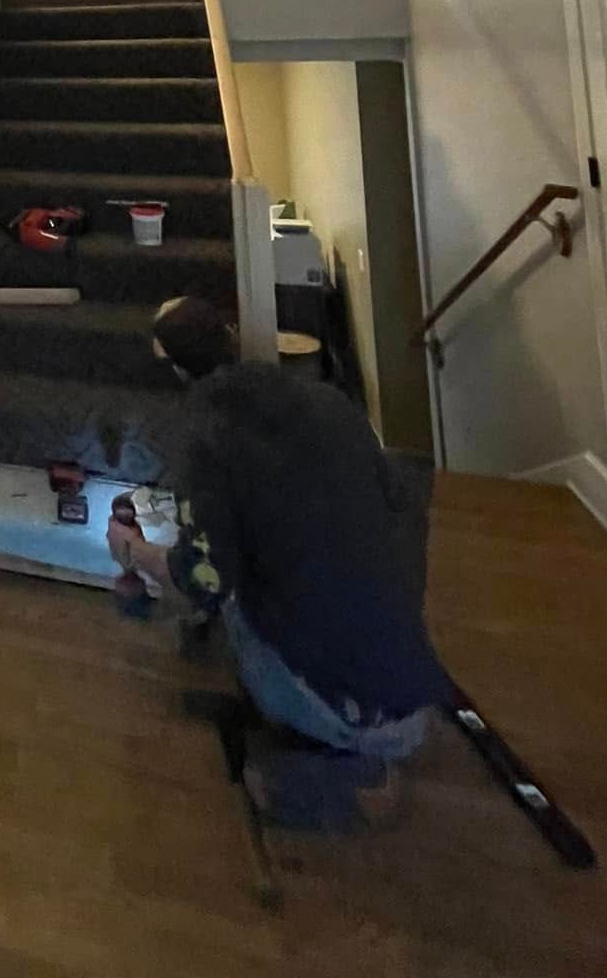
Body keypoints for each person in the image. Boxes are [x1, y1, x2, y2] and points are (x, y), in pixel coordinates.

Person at [108, 295, 450, 824]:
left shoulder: (207, 437)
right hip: (408, 678)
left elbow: (204, 577)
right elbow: (401, 519)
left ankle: (361, 779)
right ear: (233, 337)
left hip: (355, 713)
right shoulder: (329, 404)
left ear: (173, 368)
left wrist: (132, 551)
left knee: (225, 589)